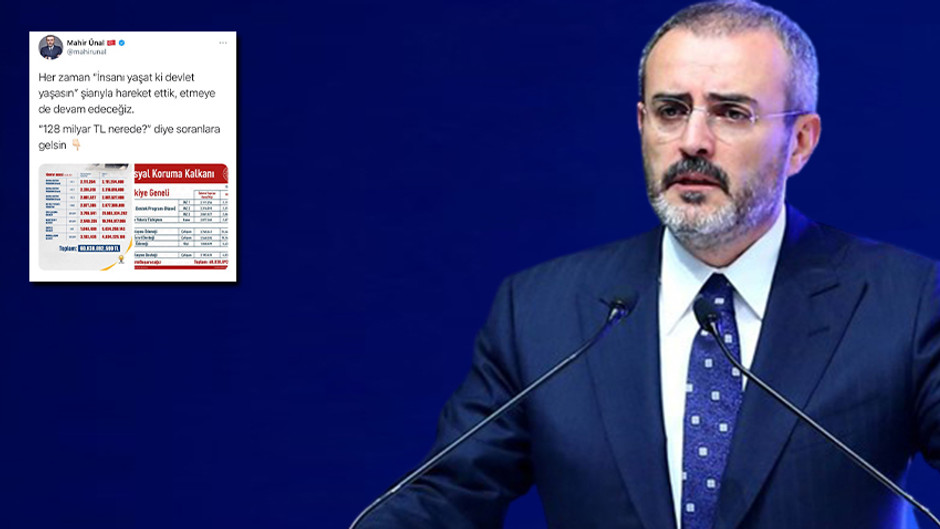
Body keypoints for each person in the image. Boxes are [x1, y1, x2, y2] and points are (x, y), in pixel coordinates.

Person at [357, 1, 940, 528]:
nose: (693, 141)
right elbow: (446, 498)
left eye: (731, 113)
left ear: (801, 142)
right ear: (642, 125)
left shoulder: (905, 303)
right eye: (671, 110)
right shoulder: (541, 313)